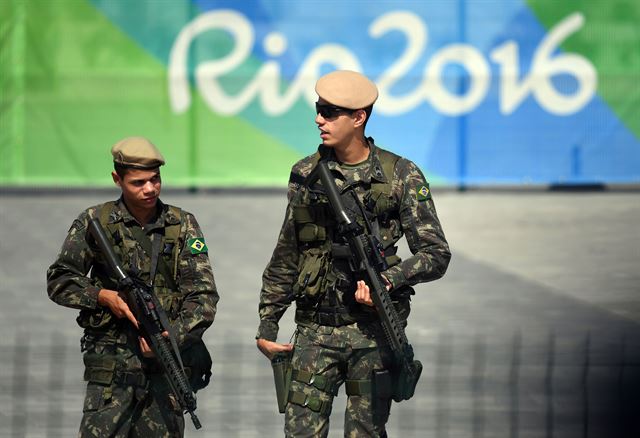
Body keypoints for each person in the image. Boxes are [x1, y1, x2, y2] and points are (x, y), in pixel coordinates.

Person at [256, 70, 451, 437]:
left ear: (358, 117)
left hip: (372, 334)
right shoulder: (305, 173)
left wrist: (387, 280)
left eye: (329, 112)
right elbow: (287, 252)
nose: (318, 119)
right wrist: (268, 321)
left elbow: (436, 253)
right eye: (318, 109)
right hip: (314, 331)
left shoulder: (401, 175)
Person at [47, 137, 219, 437]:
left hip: (165, 375)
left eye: (155, 179)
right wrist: (102, 296)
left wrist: (169, 338)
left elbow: (203, 297)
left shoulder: (182, 224)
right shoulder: (95, 221)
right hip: (111, 377)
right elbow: (59, 280)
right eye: (139, 182)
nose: (150, 189)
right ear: (117, 179)